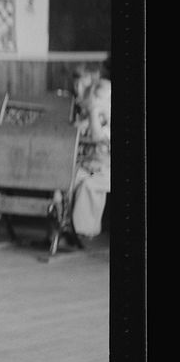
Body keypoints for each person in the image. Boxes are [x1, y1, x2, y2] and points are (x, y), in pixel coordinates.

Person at [70, 61, 111, 239]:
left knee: (88, 184)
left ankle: (84, 229)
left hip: (106, 169)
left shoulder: (104, 120)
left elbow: (96, 136)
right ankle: (65, 225)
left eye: (82, 82)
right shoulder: (87, 113)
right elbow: (76, 129)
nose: (77, 87)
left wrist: (94, 111)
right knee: (68, 179)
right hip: (89, 165)